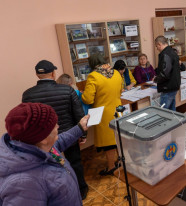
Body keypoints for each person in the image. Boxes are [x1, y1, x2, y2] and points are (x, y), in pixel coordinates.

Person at [22, 60, 89, 199]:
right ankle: (81, 190)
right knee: (75, 162)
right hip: (69, 133)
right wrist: (83, 134)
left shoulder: (27, 95)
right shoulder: (67, 90)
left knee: (48, 168)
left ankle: (56, 194)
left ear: (36, 74)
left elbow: (29, 121)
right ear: (53, 73)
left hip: (44, 138)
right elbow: (79, 114)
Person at [0, 102, 90, 205]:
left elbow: (59, 142)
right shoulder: (24, 184)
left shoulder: (40, 146)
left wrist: (80, 127)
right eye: (53, 125)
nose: (58, 126)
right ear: (43, 138)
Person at [82, 54, 123, 175]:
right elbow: (120, 91)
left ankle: (111, 167)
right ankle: (119, 161)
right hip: (118, 109)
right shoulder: (115, 73)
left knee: (108, 143)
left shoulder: (93, 76)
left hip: (104, 114)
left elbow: (88, 99)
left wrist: (83, 94)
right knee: (117, 138)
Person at [154, 36, 181, 111]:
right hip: (173, 85)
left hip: (167, 87)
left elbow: (165, 73)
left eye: (157, 46)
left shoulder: (165, 54)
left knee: (164, 111)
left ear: (159, 44)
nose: (157, 49)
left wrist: (156, 79)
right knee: (172, 110)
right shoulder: (172, 51)